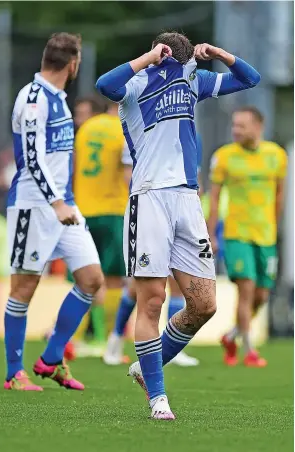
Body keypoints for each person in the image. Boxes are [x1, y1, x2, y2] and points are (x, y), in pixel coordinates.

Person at [96, 32, 260, 419]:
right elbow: (104, 85)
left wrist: (220, 53)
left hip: (188, 199)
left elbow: (249, 79)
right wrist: (147, 58)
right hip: (150, 197)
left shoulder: (192, 78)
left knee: (204, 304)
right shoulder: (135, 84)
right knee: (151, 300)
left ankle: (145, 365)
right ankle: (157, 397)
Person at [4, 32, 103, 391]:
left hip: (64, 204)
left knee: (92, 279)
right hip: (35, 205)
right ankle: (13, 373)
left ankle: (50, 359)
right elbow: (32, 158)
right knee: (24, 287)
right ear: (73, 63)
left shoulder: (58, 98)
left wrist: (65, 201)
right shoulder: (33, 99)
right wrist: (56, 201)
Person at [104, 135, 204, 367]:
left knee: (178, 284)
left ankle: (172, 348)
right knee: (139, 287)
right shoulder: (143, 126)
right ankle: (116, 338)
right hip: (148, 211)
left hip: (180, 212)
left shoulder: (189, 132)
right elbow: (128, 172)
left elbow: (194, 175)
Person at [208, 106, 287, 367]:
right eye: (234, 125)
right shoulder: (224, 157)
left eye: (241, 125)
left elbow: (279, 195)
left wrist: (275, 229)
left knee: (262, 296)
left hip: (266, 236)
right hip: (237, 234)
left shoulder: (276, 155)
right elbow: (215, 197)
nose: (236, 130)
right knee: (246, 290)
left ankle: (231, 336)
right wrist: (212, 234)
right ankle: (250, 350)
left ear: (258, 126)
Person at [71, 100, 129, 358]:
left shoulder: (86, 128)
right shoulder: (125, 129)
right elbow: (129, 173)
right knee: (113, 279)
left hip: (83, 210)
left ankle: (82, 337)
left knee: (87, 277)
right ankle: (105, 340)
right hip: (113, 210)